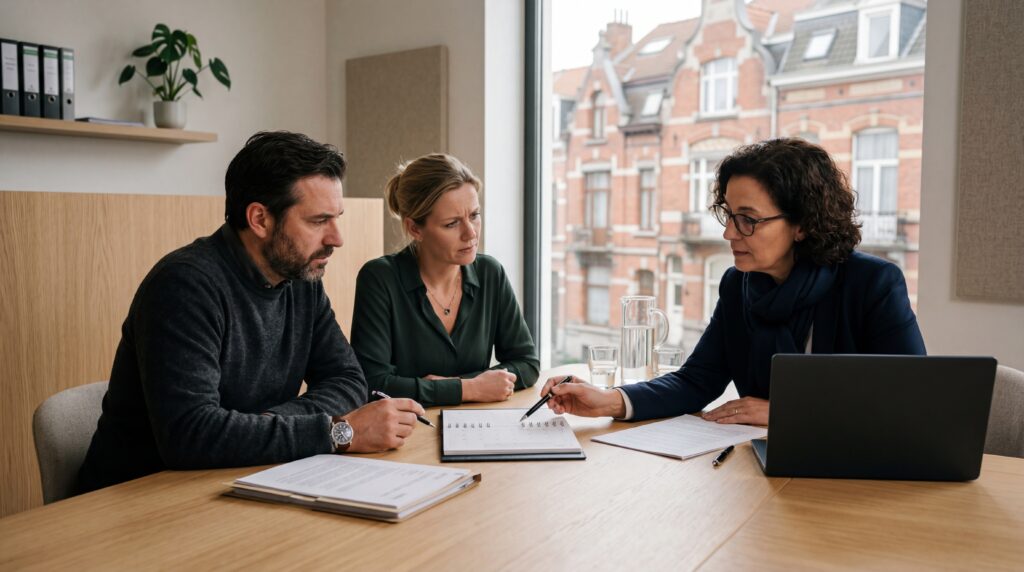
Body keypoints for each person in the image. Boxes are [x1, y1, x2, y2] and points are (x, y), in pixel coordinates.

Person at [78, 131, 426, 494]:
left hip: (241, 480)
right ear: (260, 219)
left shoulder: (301, 279)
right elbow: (191, 435)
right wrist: (340, 431)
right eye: (318, 221)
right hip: (139, 500)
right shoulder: (184, 286)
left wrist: (263, 425)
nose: (337, 238)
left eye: (337, 218)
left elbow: (348, 380)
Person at [542, 138, 926, 425]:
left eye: (748, 219)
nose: (729, 234)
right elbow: (698, 380)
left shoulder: (872, 283)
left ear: (803, 224)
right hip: (754, 470)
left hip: (856, 482)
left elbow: (910, 403)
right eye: (728, 214)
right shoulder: (737, 285)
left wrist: (784, 413)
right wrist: (608, 400)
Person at [350, 153, 539, 407]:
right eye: (452, 224)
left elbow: (527, 363)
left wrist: (453, 386)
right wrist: (468, 388)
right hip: (407, 433)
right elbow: (372, 384)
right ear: (415, 228)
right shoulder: (379, 279)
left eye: (474, 215)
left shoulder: (491, 273)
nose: (470, 233)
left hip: (476, 427)